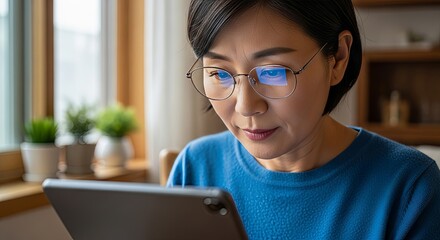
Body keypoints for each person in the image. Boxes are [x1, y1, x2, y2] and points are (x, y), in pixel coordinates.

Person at [167, 0, 440, 239]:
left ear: (337, 59)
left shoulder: (410, 188)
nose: (246, 106)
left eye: (273, 73)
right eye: (219, 74)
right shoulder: (194, 169)